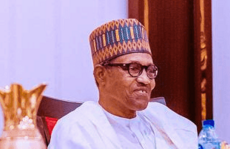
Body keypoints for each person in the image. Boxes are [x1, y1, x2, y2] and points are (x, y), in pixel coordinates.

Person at [48, 18, 197, 149]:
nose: (145, 80)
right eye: (133, 68)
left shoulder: (162, 121)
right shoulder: (76, 129)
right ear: (101, 75)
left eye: (150, 70)